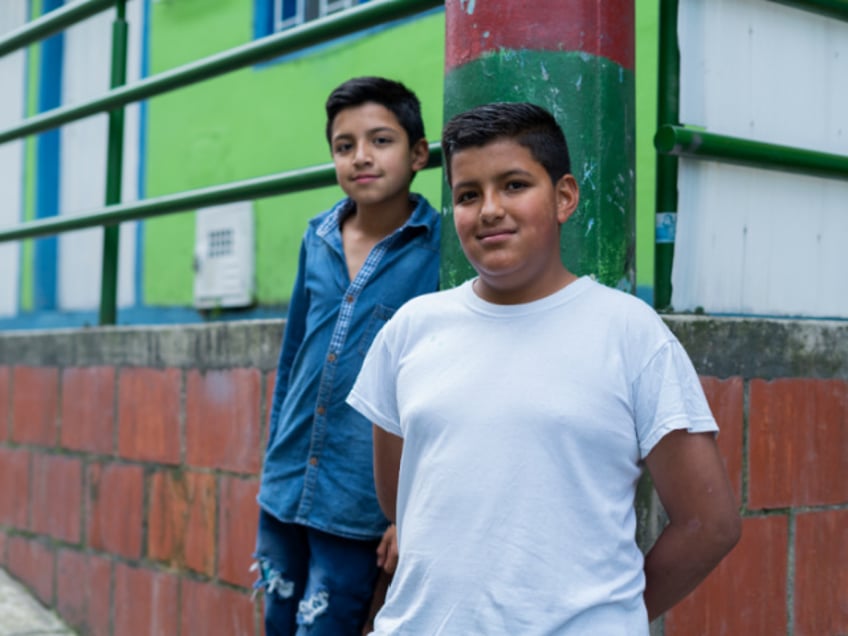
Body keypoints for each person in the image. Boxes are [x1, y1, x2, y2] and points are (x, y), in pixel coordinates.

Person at [346, 102, 741, 634]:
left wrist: (606, 617)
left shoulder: (629, 332)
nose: (489, 209)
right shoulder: (411, 330)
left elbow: (708, 523)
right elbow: (401, 499)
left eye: (513, 185)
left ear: (563, 197)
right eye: (467, 195)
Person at [254, 76, 440, 636]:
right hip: (286, 485)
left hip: (361, 503)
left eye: (381, 141)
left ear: (418, 155)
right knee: (278, 620)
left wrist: (407, 515)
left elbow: (437, 393)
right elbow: (292, 362)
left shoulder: (439, 252)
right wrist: (271, 465)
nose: (361, 157)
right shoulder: (318, 237)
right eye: (344, 145)